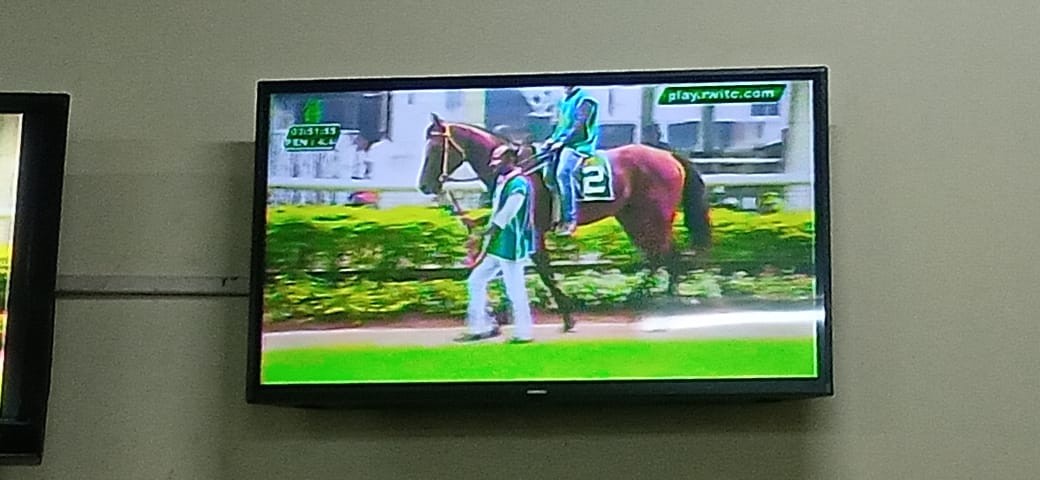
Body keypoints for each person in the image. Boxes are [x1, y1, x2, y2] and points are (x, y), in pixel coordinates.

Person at [456, 145, 537, 344]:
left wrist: (484, 231)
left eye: (497, 161)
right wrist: (477, 222)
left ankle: (523, 332)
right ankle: (480, 326)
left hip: (511, 246)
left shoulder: (518, 183)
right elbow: (497, 213)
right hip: (498, 245)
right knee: (476, 281)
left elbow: (507, 214)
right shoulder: (505, 182)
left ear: (510, 160)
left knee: (515, 289)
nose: (493, 165)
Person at [544, 85, 599, 236]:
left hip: (579, 145)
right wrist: (552, 139)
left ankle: (570, 220)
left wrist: (562, 142)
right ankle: (555, 216)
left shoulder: (585, 99)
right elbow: (562, 126)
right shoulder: (564, 100)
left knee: (563, 173)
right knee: (547, 174)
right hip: (562, 142)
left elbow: (579, 127)